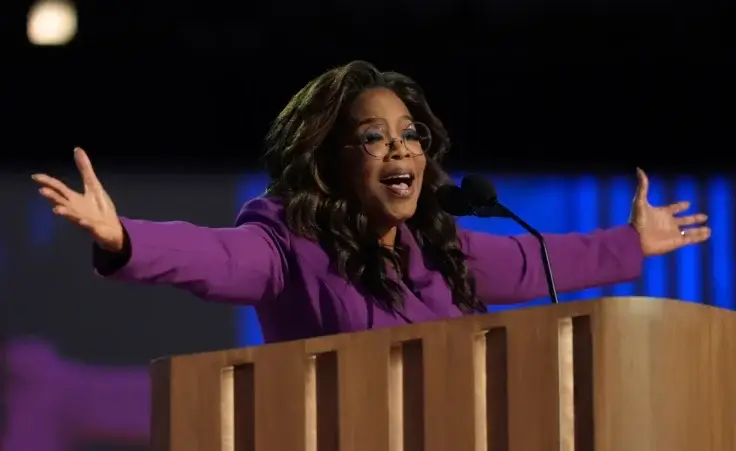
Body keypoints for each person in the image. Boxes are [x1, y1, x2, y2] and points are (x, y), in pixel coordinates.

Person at [32, 61, 710, 344]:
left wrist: (633, 243)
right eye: (374, 138)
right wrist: (122, 237)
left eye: (412, 136)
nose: (402, 151)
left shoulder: (445, 250)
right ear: (332, 160)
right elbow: (210, 255)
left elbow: (539, 264)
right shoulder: (285, 243)